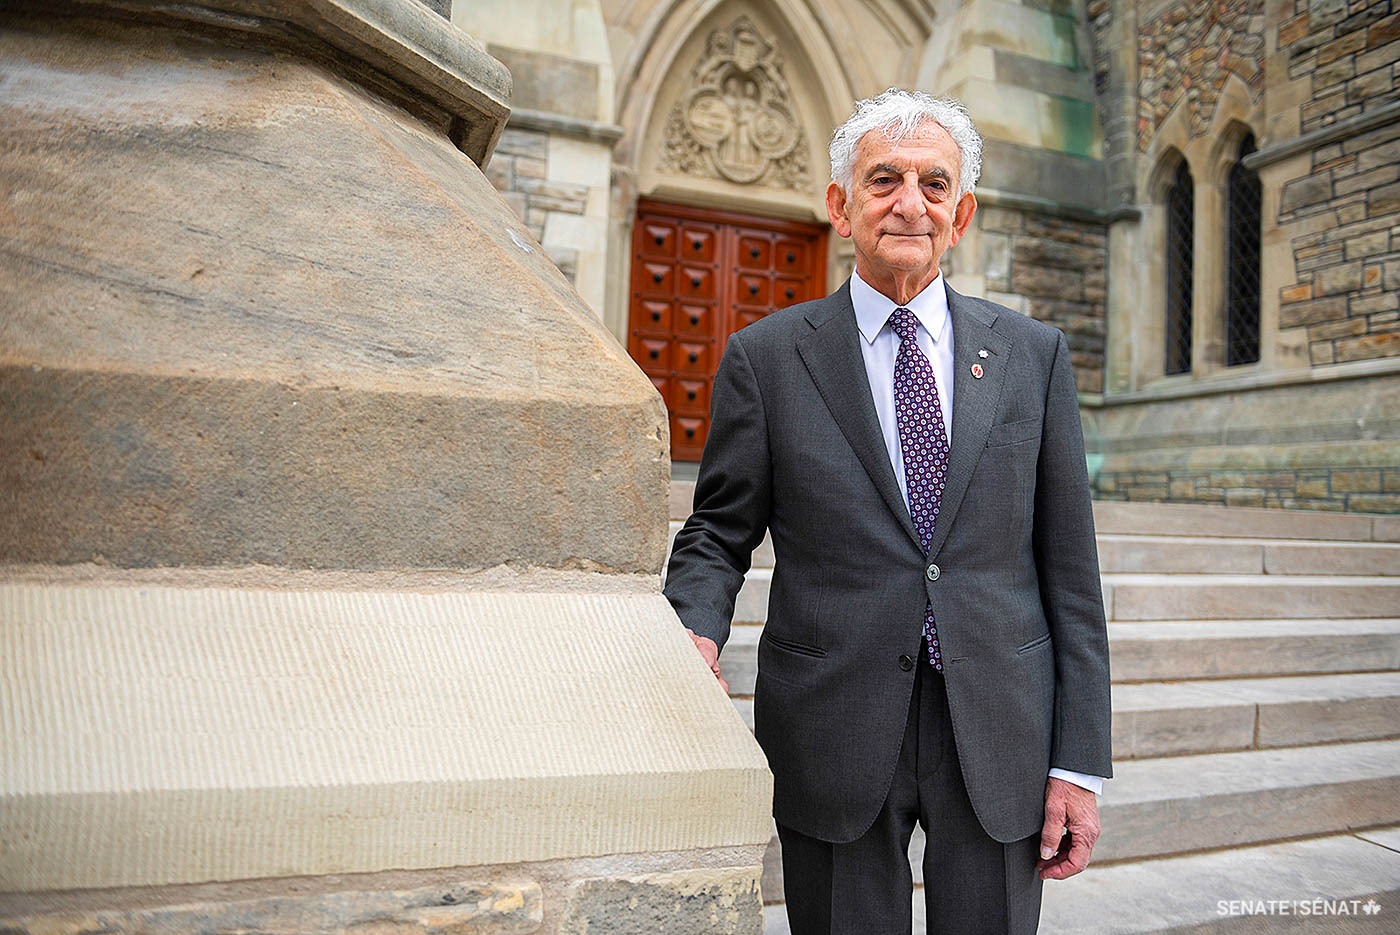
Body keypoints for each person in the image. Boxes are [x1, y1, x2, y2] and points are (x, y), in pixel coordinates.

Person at [663, 89, 1112, 934]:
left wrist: (1080, 761)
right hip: (832, 719)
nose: (910, 203)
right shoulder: (766, 358)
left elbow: (1071, 573)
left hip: (999, 725)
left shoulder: (1033, 357)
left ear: (962, 212)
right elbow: (719, 530)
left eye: (934, 184)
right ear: (840, 205)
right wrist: (693, 622)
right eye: (884, 180)